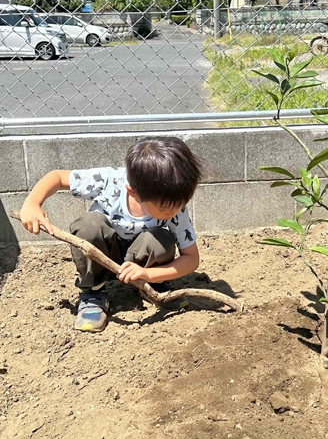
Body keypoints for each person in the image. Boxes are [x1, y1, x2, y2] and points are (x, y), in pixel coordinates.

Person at [19, 136, 203, 332]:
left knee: (160, 238)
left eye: (181, 204)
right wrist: (32, 203)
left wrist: (149, 274)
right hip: (104, 251)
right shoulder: (109, 182)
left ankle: (151, 288)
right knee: (89, 224)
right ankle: (93, 293)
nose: (175, 211)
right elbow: (57, 177)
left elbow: (191, 258)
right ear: (133, 193)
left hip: (143, 263)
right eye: (165, 208)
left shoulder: (175, 205)